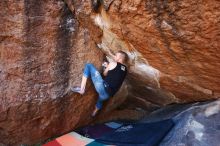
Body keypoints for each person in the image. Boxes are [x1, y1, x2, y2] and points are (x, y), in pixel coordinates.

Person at [71, 50, 128, 117]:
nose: (114, 56)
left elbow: (104, 74)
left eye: (116, 55)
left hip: (102, 88)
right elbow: (115, 75)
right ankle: (94, 113)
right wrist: (109, 67)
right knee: (100, 100)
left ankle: (82, 89)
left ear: (120, 58)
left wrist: (106, 66)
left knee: (89, 65)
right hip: (108, 95)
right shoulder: (125, 70)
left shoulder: (113, 63)